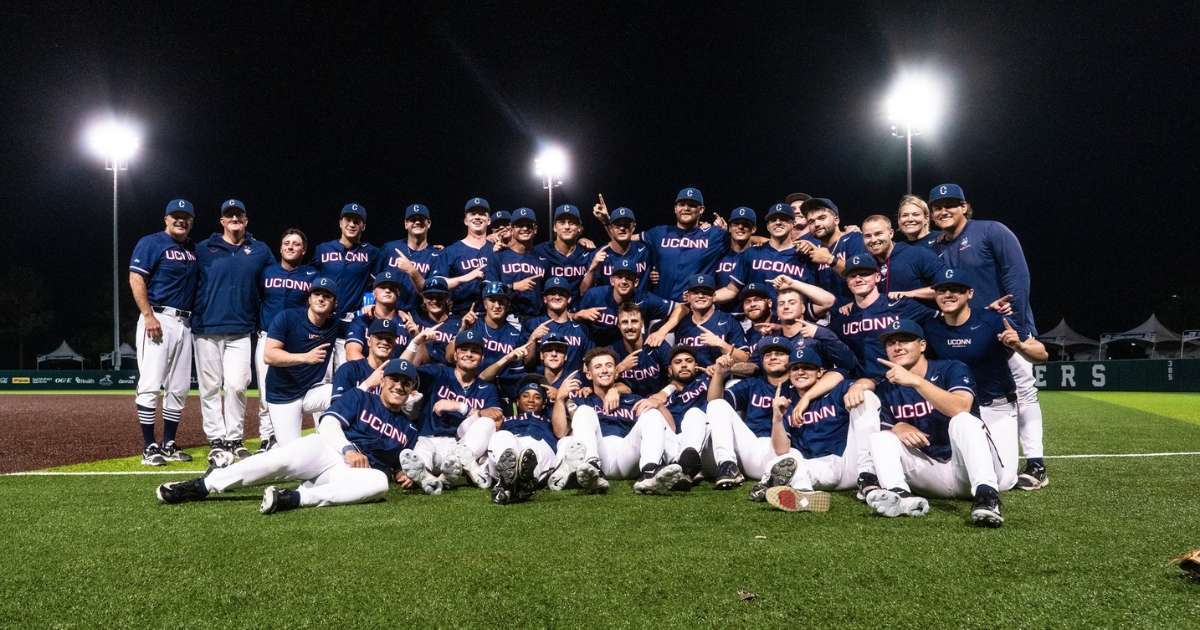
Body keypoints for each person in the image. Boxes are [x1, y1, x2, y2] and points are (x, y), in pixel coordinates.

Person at [155, 360, 421, 514]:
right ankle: (203, 485)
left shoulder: (409, 430)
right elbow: (329, 424)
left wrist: (405, 475)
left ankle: (293, 499)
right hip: (329, 450)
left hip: (349, 474)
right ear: (383, 380)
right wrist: (348, 449)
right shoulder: (360, 397)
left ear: (411, 391)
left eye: (406, 383)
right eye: (394, 379)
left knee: (379, 484)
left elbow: (399, 466)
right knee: (278, 459)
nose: (399, 386)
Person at [929, 183, 1048, 490]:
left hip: (1004, 328)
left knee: (1024, 390)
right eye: (937, 207)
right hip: (968, 333)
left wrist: (1016, 325)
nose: (943, 211)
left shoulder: (992, 230)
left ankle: (1036, 464)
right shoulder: (937, 246)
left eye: (950, 204)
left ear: (964, 207)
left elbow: (1017, 276)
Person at [860, 319, 1017, 527]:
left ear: (922, 345)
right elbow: (886, 430)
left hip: (968, 468)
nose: (897, 347)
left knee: (963, 420)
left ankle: (987, 496)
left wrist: (916, 381)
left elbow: (960, 406)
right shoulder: (887, 386)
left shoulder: (951, 368)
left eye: (905, 340)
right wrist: (898, 427)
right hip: (932, 473)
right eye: (891, 343)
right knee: (880, 438)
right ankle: (900, 496)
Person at [921, 269, 1048, 490]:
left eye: (955, 290)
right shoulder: (931, 328)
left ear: (969, 293)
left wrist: (1019, 345)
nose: (948, 295)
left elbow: (1041, 355)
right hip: (956, 411)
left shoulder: (993, 320)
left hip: (995, 407)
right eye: (942, 290)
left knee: (1004, 482)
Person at [192, 199, 276, 464]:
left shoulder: (260, 250)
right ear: (222, 221)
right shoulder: (203, 249)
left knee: (237, 385)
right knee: (210, 387)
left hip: (241, 328)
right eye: (229, 215)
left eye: (239, 214)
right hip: (206, 327)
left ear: (246, 220)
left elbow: (275, 281)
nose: (234, 218)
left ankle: (234, 439)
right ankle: (217, 440)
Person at [756, 346, 874, 512]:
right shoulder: (788, 401)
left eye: (807, 367)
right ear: (789, 374)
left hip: (846, 462)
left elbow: (870, 382)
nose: (800, 372)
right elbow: (781, 450)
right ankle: (804, 493)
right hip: (818, 467)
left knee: (866, 396)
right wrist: (777, 418)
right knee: (787, 460)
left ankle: (869, 474)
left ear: (820, 372)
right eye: (795, 368)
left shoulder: (836, 390)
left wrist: (858, 386)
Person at [552, 348, 683, 495]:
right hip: (599, 453)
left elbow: (670, 429)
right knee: (583, 411)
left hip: (627, 455)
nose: (604, 370)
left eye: (609, 365)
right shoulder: (582, 399)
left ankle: (649, 473)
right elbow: (560, 432)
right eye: (598, 366)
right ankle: (592, 468)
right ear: (589, 374)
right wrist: (559, 399)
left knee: (652, 413)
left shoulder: (633, 399)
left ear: (616, 372)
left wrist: (658, 405)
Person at [129, 199, 200, 465]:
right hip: (158, 318)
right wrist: (148, 315)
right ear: (166, 219)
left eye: (186, 216)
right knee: (150, 383)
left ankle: (168, 443)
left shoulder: (193, 249)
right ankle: (149, 447)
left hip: (185, 323)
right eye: (175, 216)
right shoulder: (151, 242)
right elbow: (136, 278)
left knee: (179, 387)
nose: (180, 220)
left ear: (191, 221)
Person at [398, 329, 504, 495]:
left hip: (460, 446)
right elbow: (401, 371)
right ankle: (426, 476)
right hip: (429, 438)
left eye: (475, 351)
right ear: (455, 355)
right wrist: (415, 343)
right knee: (423, 451)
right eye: (464, 350)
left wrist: (461, 407)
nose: (469, 354)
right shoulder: (438, 373)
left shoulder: (487, 389)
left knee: (487, 423)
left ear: (482, 358)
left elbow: (496, 419)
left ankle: (447, 472)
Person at [255, 228, 316, 453]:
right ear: (280, 248)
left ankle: (302, 436)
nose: (291, 246)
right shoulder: (266, 272)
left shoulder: (312, 274)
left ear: (304, 250)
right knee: (265, 391)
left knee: (302, 392)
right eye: (287, 243)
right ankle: (267, 437)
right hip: (267, 337)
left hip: (297, 342)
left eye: (296, 244)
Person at [828, 254, 934, 382]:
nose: (858, 279)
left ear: (877, 277)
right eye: (852, 276)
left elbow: (941, 319)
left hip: (900, 381)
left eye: (864, 274)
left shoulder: (900, 305)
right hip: (862, 383)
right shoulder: (844, 316)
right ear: (847, 281)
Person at [263, 276, 340, 445]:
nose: (321, 299)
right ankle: (274, 448)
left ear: (335, 304)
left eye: (327, 296)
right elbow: (269, 355)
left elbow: (366, 326)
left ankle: (327, 441)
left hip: (311, 391)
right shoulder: (287, 318)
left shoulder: (335, 324)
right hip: (283, 394)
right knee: (291, 452)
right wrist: (305, 357)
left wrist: (370, 309)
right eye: (316, 294)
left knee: (345, 394)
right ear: (309, 299)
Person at [713, 203, 823, 309]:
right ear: (768, 226)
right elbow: (731, 290)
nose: (778, 222)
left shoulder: (805, 255)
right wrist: (706, 298)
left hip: (790, 317)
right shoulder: (751, 253)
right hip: (758, 318)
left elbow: (815, 294)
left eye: (783, 219)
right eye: (773, 220)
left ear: (793, 224)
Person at [313, 203, 378, 368]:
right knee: (321, 376)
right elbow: (307, 277)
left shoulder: (371, 253)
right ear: (340, 223)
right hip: (323, 322)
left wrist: (433, 251)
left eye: (357, 221)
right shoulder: (322, 249)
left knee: (346, 372)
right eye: (348, 220)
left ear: (363, 226)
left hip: (351, 322)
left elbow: (380, 281)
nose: (352, 224)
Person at [638, 187, 730, 301]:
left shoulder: (714, 235)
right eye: (681, 204)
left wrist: (725, 231)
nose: (686, 208)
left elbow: (744, 242)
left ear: (701, 209)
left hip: (695, 306)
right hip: (662, 306)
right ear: (675, 208)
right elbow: (626, 238)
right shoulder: (659, 232)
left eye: (692, 205)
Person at [574, 258, 685, 347]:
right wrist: (578, 315)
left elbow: (682, 308)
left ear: (635, 282)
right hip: (597, 349)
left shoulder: (643, 298)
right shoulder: (594, 295)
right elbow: (570, 317)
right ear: (612, 281)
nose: (624, 281)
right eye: (620, 277)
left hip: (628, 348)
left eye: (628, 278)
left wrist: (662, 332)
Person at [487, 379, 558, 505]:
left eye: (537, 397)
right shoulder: (506, 420)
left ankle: (511, 483)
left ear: (543, 404)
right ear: (517, 402)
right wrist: (497, 426)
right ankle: (518, 481)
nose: (531, 400)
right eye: (525, 396)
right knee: (502, 436)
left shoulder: (550, 419)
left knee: (533, 450)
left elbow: (563, 429)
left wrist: (558, 399)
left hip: (539, 443)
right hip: (513, 443)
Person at [796, 197, 867, 306]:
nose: (816, 224)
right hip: (827, 313)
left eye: (822, 218)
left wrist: (829, 259)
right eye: (811, 221)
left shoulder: (854, 239)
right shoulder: (813, 251)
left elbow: (862, 276)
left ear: (836, 219)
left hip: (855, 310)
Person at [438, 197, 500, 316]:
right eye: (473, 213)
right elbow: (439, 284)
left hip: (493, 317)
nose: (477, 217)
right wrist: (464, 278)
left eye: (482, 214)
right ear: (466, 220)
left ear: (489, 220)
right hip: (460, 315)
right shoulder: (451, 251)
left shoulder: (497, 250)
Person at [861, 214, 944, 302]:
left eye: (878, 234)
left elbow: (947, 288)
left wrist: (910, 294)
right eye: (868, 236)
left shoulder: (918, 254)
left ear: (891, 233)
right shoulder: (866, 264)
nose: (873, 240)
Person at [672, 274, 749, 367]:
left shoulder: (728, 321)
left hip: (720, 373)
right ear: (687, 297)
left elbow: (746, 359)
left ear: (714, 296)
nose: (700, 296)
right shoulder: (682, 324)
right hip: (692, 375)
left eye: (706, 292)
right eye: (695, 292)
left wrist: (720, 344)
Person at [522, 276, 593, 375]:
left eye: (562, 294)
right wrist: (533, 338)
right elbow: (527, 363)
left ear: (569, 299)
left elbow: (588, 364)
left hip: (573, 382)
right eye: (552, 293)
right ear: (545, 299)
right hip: (541, 381)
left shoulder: (581, 329)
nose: (557, 297)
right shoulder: (533, 324)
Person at [375, 203, 439, 313]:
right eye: (412, 219)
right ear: (406, 224)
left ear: (429, 223)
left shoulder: (436, 256)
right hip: (388, 313)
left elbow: (432, 293)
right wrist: (369, 305)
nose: (417, 222)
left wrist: (411, 270)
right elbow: (373, 282)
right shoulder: (389, 248)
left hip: (419, 315)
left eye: (421, 219)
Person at [584, 203, 651, 294]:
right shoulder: (598, 255)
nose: (622, 228)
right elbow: (583, 292)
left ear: (633, 227)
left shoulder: (645, 251)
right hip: (608, 302)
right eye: (617, 225)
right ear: (611, 228)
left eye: (626, 224)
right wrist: (592, 269)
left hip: (639, 302)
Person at [494, 207, 547, 320]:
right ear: (512, 229)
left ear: (535, 229)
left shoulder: (543, 259)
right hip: (507, 319)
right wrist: (513, 287)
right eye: (520, 225)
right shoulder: (499, 256)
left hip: (535, 318)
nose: (525, 228)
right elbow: (489, 289)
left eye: (529, 225)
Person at [611, 302, 673, 398]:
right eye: (624, 322)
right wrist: (619, 369)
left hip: (660, 401)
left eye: (634, 321)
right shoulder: (613, 352)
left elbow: (677, 375)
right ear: (619, 325)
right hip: (629, 404)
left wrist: (663, 394)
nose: (629, 327)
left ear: (642, 324)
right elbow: (601, 381)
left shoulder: (656, 344)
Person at [533, 204, 595, 299]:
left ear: (579, 228)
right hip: (549, 306)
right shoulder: (540, 251)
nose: (567, 227)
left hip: (580, 306)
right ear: (554, 227)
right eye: (562, 223)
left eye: (572, 223)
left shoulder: (588, 252)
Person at [345, 271, 408, 361]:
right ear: (374, 293)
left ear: (398, 293)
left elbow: (416, 359)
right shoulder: (362, 321)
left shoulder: (406, 322)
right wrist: (376, 370)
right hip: (366, 369)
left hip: (399, 369)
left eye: (392, 288)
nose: (387, 290)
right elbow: (352, 354)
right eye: (383, 287)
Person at [332, 317, 401, 399]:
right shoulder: (349, 370)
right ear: (369, 341)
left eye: (389, 339)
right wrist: (367, 385)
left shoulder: (396, 376)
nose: (384, 342)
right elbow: (338, 405)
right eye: (379, 337)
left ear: (395, 344)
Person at [401, 276, 459, 365]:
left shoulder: (457, 325)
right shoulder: (415, 320)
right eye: (430, 297)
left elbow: (453, 359)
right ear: (423, 299)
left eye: (439, 296)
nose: (434, 301)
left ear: (447, 298)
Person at [713, 206, 757, 310]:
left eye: (746, 224)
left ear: (753, 229)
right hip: (719, 313)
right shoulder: (718, 253)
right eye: (736, 223)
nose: (740, 227)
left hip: (750, 314)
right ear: (729, 228)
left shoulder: (759, 255)